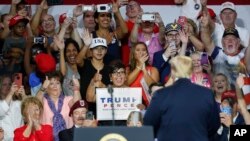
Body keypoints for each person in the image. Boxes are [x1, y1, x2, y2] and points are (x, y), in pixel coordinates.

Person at [144, 56, 220, 141]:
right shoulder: (206, 94)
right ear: (191, 72)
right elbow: (214, 125)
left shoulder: (161, 95)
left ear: (172, 71)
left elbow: (148, 125)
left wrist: (163, 133)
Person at [200, 11, 247, 87]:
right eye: (227, 38)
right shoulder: (217, 54)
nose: (230, 40)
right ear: (222, 42)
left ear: (238, 42)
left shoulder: (245, 55)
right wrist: (204, 28)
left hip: (241, 96)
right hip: (221, 95)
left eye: (233, 38)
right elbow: (207, 41)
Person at [36, 71, 81, 141]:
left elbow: (78, 106)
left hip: (67, 138)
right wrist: (43, 88)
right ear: (46, 87)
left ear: (61, 86)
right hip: (47, 138)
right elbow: (36, 103)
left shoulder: (67, 99)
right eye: (51, 84)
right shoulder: (43, 100)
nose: (55, 86)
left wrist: (76, 88)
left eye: (57, 83)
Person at [128, 42, 159, 107]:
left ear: (147, 53)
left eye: (143, 50)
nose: (141, 52)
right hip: (131, 106)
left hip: (149, 107)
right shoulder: (127, 70)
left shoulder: (153, 70)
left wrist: (144, 69)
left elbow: (154, 89)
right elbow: (126, 83)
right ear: (133, 54)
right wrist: (139, 67)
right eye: (138, 50)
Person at [0, 74, 27, 141]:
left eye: (10, 84)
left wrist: (24, 96)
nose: (8, 87)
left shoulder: (17, 101)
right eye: (4, 84)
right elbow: (1, 111)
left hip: (21, 137)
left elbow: (28, 113)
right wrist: (11, 93)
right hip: (5, 139)